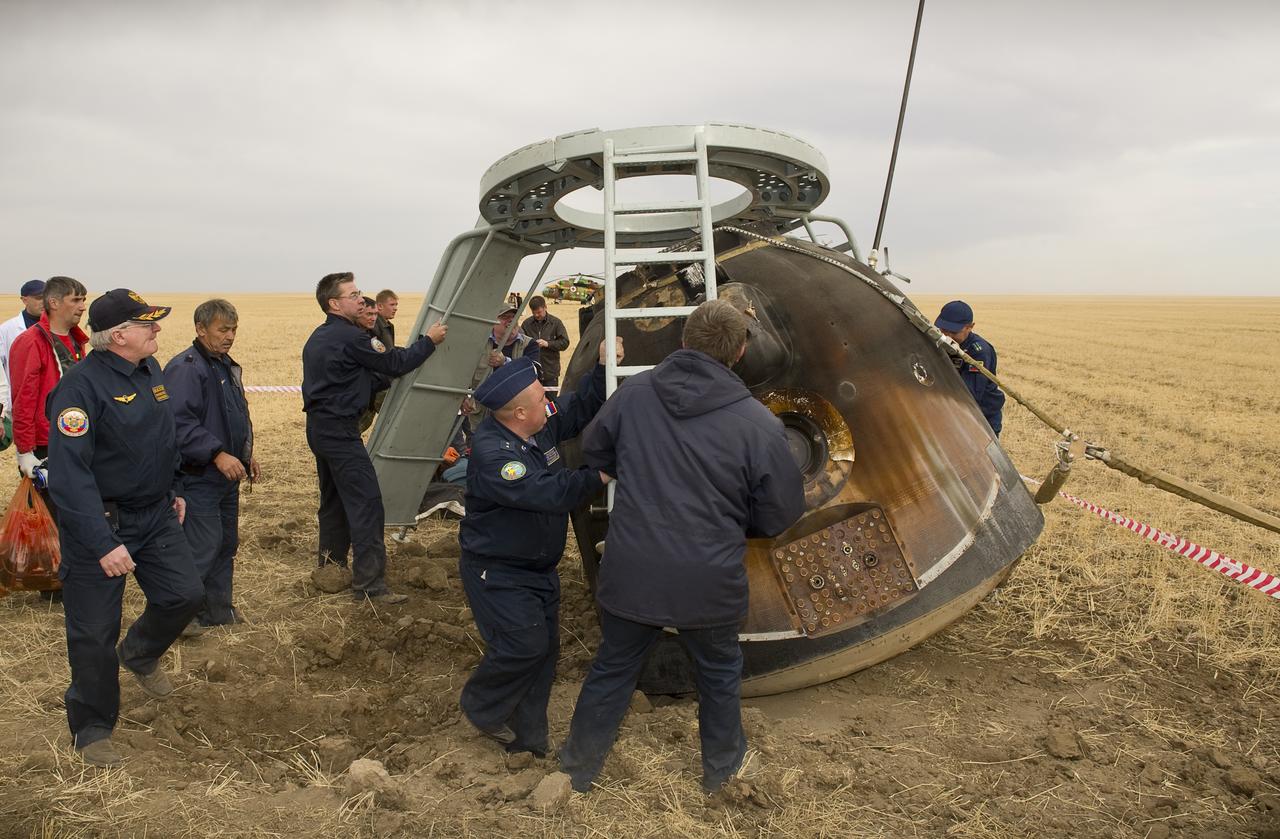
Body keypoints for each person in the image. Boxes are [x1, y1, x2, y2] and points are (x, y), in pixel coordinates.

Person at [558, 299, 805, 794]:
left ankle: (575, 772)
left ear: (684, 340)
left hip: (633, 569)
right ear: (739, 351)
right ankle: (723, 776)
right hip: (708, 579)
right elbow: (779, 513)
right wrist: (732, 524)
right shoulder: (758, 424)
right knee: (718, 675)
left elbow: (596, 449)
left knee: (613, 668)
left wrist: (640, 469)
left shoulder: (633, 394)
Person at [46, 288, 203, 767]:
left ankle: (138, 653)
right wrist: (102, 543)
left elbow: (163, 437)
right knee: (94, 633)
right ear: (118, 336)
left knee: (184, 595)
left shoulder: (149, 369)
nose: (157, 329)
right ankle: (93, 728)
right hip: (101, 522)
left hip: (155, 514)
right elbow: (69, 477)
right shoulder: (79, 390)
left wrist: (175, 487)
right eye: (147, 324)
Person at [458, 337, 620, 757]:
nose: (548, 404)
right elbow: (548, 492)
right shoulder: (496, 456)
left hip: (538, 568)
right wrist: (600, 476)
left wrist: (603, 367)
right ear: (518, 413)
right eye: (539, 399)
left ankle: (528, 744)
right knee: (523, 647)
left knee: (544, 655)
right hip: (499, 573)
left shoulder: (537, 422)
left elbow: (577, 408)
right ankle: (481, 705)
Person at [302, 272, 447, 604]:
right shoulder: (352, 337)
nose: (360, 299)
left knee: (334, 501)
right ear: (334, 303)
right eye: (353, 295)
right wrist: (429, 341)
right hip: (340, 432)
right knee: (366, 503)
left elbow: (358, 377)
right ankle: (370, 586)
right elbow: (395, 362)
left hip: (320, 428)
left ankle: (331, 568)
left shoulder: (320, 336)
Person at [163, 299, 258, 635]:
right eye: (223, 330)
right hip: (198, 477)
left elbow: (230, 416)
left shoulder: (221, 365)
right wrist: (217, 454)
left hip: (225, 476)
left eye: (234, 329)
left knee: (225, 544)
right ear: (201, 329)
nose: (230, 336)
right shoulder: (187, 369)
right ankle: (178, 618)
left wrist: (244, 454)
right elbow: (179, 424)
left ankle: (217, 610)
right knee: (201, 547)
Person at [11, 277, 90, 510]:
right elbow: (23, 399)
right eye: (75, 300)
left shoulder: (76, 340)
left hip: (77, 436)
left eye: (83, 300)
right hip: (46, 445)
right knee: (51, 516)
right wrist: (25, 451)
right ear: (54, 303)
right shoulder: (30, 342)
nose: (82, 306)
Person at [934, 300, 1005, 436]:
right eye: (944, 330)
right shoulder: (941, 343)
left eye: (954, 332)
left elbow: (970, 394)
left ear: (970, 327)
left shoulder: (978, 351)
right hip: (956, 414)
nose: (948, 336)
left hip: (982, 416)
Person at [0, 279, 47, 417]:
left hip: (48, 402)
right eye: (39, 298)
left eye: (46, 297)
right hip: (17, 404)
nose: (43, 302)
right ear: (24, 300)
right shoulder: (6, 330)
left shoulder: (58, 327)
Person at [520, 295, 570, 390]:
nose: (536, 315)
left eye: (539, 312)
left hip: (551, 374)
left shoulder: (556, 323)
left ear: (545, 307)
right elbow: (520, 344)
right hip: (532, 375)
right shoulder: (526, 324)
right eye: (534, 313)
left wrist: (547, 344)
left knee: (551, 400)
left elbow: (565, 342)